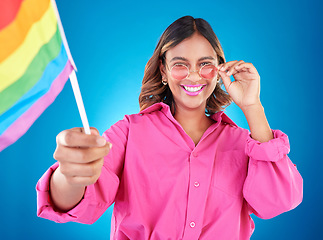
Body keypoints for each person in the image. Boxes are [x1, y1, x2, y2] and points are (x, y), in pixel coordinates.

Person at [36, 16, 303, 240]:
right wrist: (70, 175)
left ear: (220, 69)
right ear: (163, 70)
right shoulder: (129, 132)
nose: (194, 75)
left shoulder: (243, 143)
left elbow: (279, 201)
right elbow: (78, 200)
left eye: (205, 64)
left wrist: (252, 106)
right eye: (180, 65)